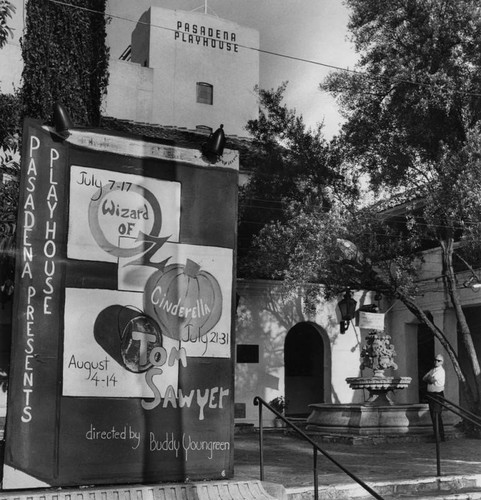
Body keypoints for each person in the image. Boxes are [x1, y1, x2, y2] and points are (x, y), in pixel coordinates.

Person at [422, 354, 446, 441]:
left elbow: (431, 380)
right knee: (433, 415)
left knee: (436, 415)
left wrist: (429, 378)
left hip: (437, 394)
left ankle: (439, 436)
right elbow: (424, 378)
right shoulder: (433, 370)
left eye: (439, 360)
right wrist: (429, 378)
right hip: (432, 395)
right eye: (435, 360)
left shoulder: (440, 371)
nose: (436, 362)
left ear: (442, 362)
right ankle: (437, 435)